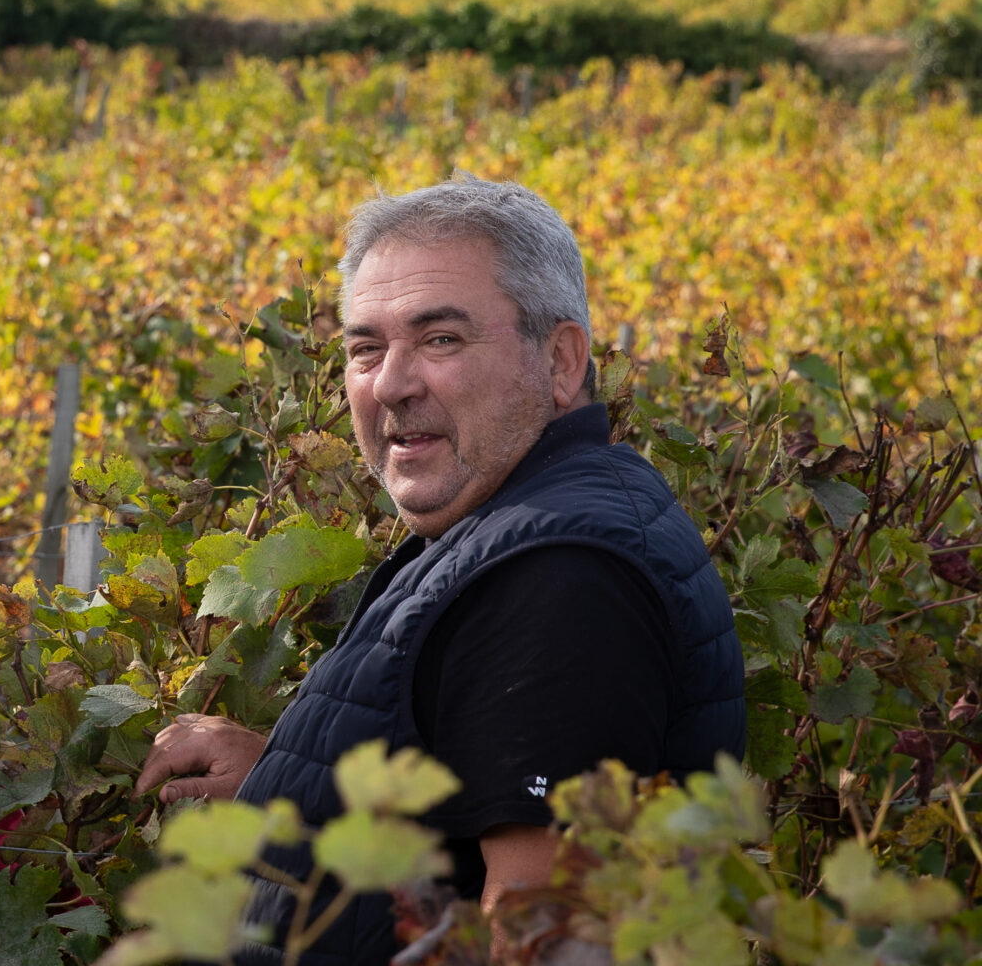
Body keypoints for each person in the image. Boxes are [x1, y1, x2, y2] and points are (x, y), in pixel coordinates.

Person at [134, 175, 745, 965]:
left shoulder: (559, 574)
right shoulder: (521, 524)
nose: (390, 383)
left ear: (560, 361)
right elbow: (466, 814)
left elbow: (540, 933)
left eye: (441, 339)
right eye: (365, 349)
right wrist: (290, 784)